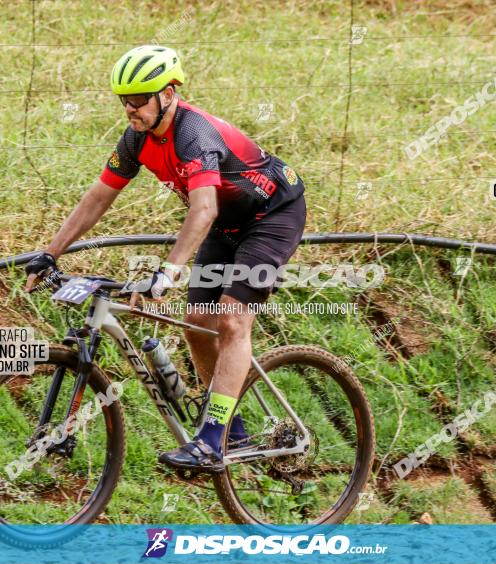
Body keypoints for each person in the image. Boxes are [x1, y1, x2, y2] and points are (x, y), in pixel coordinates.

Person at [23, 45, 307, 473]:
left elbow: (204, 209)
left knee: (231, 318)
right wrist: (49, 253)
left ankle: (211, 441)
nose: (130, 110)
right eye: (124, 100)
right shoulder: (137, 137)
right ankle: (233, 427)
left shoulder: (195, 134)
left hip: (271, 216)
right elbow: (99, 197)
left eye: (139, 100)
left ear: (169, 93)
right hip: (226, 227)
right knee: (197, 322)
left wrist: (168, 272)